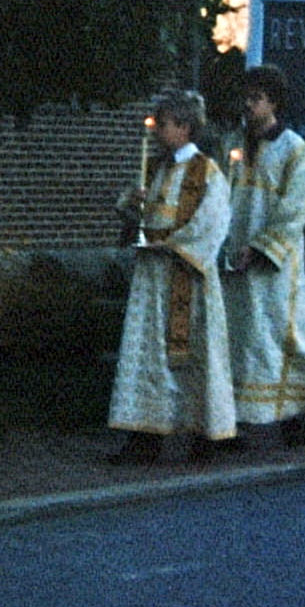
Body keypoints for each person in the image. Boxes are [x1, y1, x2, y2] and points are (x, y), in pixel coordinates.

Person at [108, 90, 236, 463]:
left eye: (162, 124)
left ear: (184, 126)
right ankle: (146, 434)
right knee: (148, 355)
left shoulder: (207, 172)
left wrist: (173, 245)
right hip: (153, 280)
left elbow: (213, 222)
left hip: (187, 276)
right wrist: (132, 208)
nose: (157, 132)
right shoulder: (158, 169)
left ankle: (204, 432)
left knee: (196, 355)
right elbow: (145, 217)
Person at [219, 63, 305, 446]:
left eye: (256, 98)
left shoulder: (294, 148)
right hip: (233, 254)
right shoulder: (233, 143)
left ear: (273, 102)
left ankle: (289, 412)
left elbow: (296, 207)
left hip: (276, 263)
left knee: (279, 333)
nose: (248, 104)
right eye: (246, 97)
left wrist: (261, 247)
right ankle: (239, 417)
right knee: (238, 336)